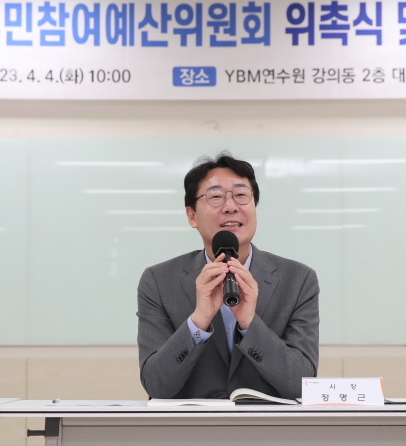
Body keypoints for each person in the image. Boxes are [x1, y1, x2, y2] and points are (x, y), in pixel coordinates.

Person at [137, 152, 319, 400]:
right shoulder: (159, 281)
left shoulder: (298, 280)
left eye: (241, 195)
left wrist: (250, 324)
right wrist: (199, 322)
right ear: (192, 216)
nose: (231, 206)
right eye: (215, 197)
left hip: (268, 424)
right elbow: (156, 385)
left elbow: (302, 384)